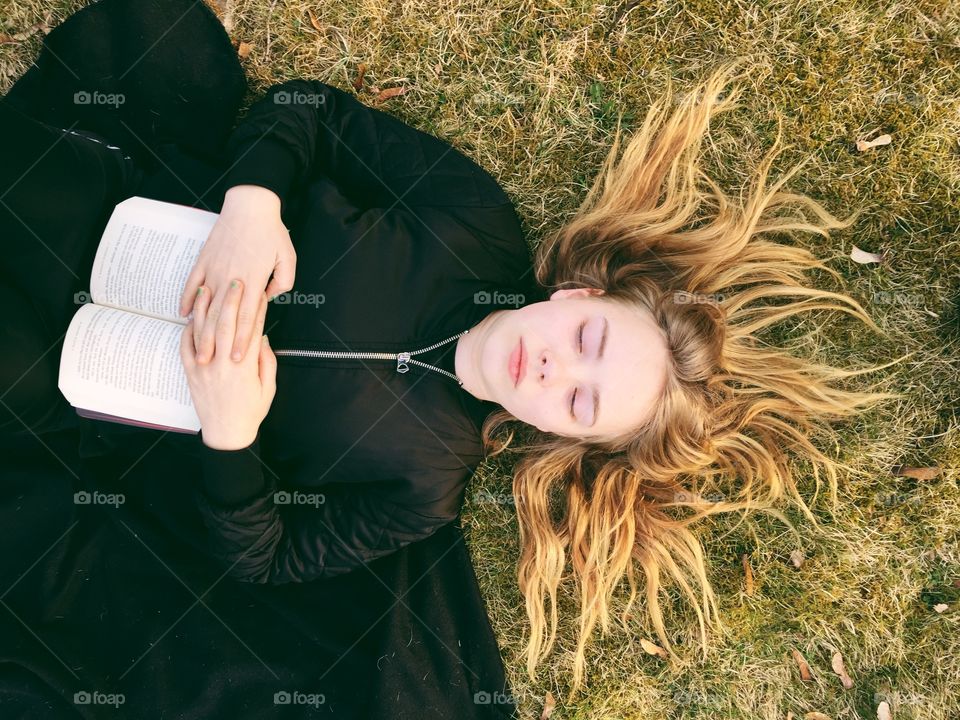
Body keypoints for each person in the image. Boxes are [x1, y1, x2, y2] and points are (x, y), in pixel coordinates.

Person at [0, 0, 904, 713]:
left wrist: (232, 439)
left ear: (560, 434)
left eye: (582, 403)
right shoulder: (474, 225)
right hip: (146, 218)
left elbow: (263, 560)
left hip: (101, 386)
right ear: (577, 298)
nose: (559, 371)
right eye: (587, 343)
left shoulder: (421, 494)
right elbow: (307, 111)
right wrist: (253, 208)